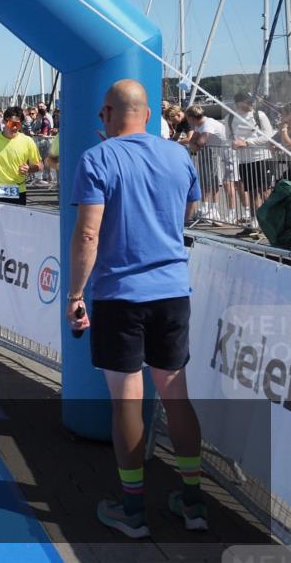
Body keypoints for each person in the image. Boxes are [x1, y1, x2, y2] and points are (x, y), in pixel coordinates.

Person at [68, 79, 205, 539]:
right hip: (172, 291)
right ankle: (192, 503)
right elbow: (188, 215)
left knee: (125, 401)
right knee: (175, 396)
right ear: (147, 115)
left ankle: (133, 511)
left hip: (120, 295)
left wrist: (75, 295)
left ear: (106, 114)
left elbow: (88, 234)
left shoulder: (97, 158)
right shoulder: (179, 155)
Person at [0, 106, 42, 205]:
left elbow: (40, 165)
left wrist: (29, 169)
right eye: (12, 123)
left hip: (18, 188)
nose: (14, 127)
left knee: (17, 220)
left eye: (18, 124)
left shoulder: (27, 141)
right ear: (4, 121)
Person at [229, 91, 277, 232]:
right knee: (251, 192)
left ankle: (271, 222)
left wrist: (246, 142)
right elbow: (228, 137)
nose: (251, 104)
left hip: (262, 158)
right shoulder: (230, 118)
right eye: (248, 101)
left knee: (265, 192)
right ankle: (255, 222)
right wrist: (233, 143)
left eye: (251, 101)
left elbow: (268, 136)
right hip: (244, 161)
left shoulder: (259, 115)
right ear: (238, 103)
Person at [185, 105, 229, 223]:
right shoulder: (198, 125)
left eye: (188, 118)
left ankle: (214, 209)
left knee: (213, 181)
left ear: (191, 117)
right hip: (208, 151)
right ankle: (205, 207)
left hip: (218, 152)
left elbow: (200, 141)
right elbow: (192, 142)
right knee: (204, 180)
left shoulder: (208, 123)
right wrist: (195, 143)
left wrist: (196, 143)